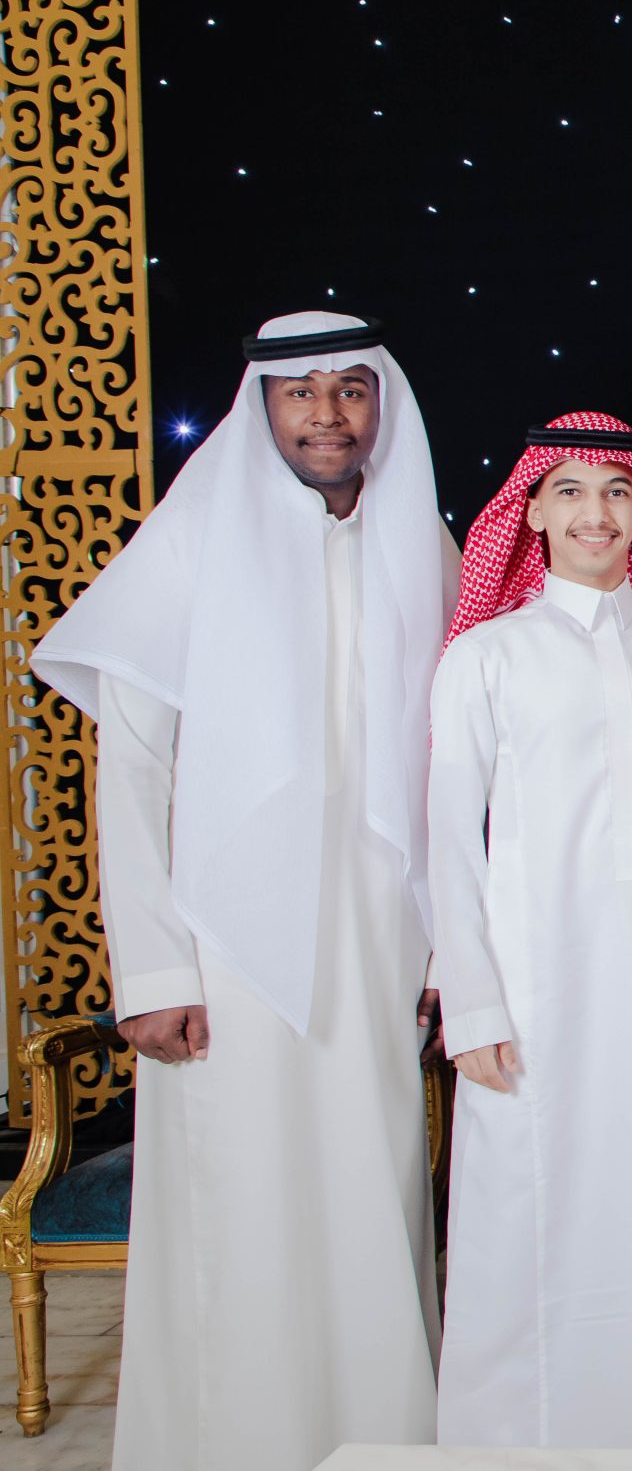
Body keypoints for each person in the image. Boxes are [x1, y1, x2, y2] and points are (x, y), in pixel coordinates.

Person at [34, 312, 450, 1470]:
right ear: (261, 405)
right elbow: (133, 770)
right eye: (300, 391)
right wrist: (153, 968)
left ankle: (379, 1446)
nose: (326, 413)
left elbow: (451, 761)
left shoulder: (422, 544)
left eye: (350, 388)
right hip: (222, 946)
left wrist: (438, 949)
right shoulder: (189, 542)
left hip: (375, 940)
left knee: (367, 1193)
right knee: (241, 1196)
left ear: (381, 404)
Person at [428, 417, 632, 1448]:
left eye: (616, 491)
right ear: (534, 514)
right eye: (570, 491)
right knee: (524, 1202)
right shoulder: (486, 655)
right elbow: (448, 840)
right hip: (529, 979)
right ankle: (508, 1441)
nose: (595, 512)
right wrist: (471, 1005)